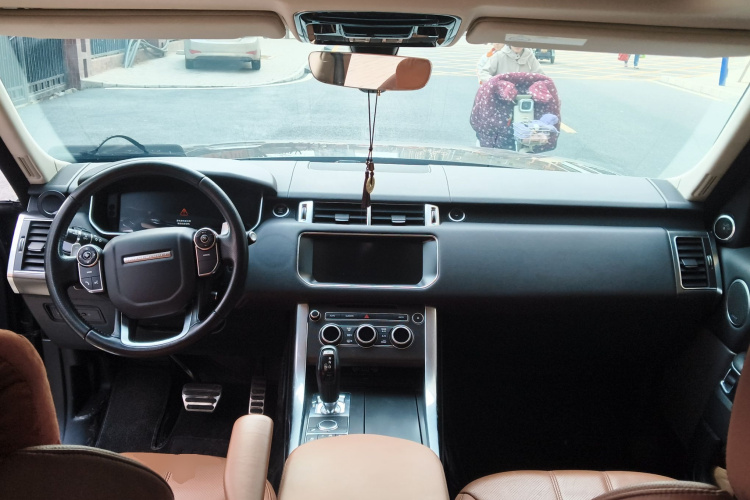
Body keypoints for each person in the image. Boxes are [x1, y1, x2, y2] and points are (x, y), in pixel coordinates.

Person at [478, 45, 544, 84]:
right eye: (515, 42)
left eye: (521, 42)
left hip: (526, 97)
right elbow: (484, 73)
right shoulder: (499, 55)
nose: (518, 45)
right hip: (501, 96)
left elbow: (542, 77)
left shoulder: (530, 57)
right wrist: (496, 82)